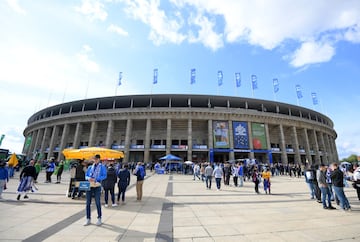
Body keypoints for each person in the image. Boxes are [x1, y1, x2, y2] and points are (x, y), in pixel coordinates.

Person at [84, 154, 107, 226]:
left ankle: (99, 218)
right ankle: (88, 218)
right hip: (90, 185)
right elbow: (86, 175)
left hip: (97, 185)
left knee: (97, 202)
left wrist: (97, 179)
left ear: (99, 159)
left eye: (97, 159)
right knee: (88, 203)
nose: (95, 160)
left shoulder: (102, 167)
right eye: (94, 159)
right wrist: (88, 178)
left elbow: (104, 176)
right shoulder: (90, 167)